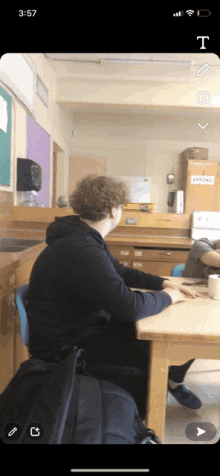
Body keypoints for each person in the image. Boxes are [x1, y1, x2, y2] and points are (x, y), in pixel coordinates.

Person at [27, 175, 202, 420]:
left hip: (77, 331)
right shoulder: (81, 247)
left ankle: (147, 402)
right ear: (112, 210)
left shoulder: (81, 237)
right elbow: (129, 307)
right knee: (148, 350)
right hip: (65, 349)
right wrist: (168, 297)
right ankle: (136, 423)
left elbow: (119, 271)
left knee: (150, 336)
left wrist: (162, 282)